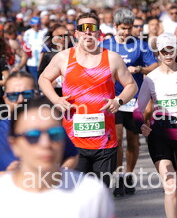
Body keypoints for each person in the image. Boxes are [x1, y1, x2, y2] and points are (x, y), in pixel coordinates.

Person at [0, 97, 114, 218]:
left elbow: (72, 156)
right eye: (32, 136)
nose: (45, 143)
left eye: (55, 134)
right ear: (14, 144)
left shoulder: (91, 192)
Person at [39, 12, 137, 187]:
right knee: (75, 192)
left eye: (91, 28)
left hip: (105, 140)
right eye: (83, 28)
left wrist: (118, 101)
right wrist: (56, 99)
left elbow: (131, 85)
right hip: (73, 140)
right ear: (76, 33)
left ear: (98, 32)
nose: (87, 32)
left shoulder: (112, 58)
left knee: (100, 192)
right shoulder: (63, 57)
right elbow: (43, 79)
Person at [134, 33, 177, 218]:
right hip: (159, 136)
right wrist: (141, 124)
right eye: (163, 51)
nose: (167, 54)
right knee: (171, 186)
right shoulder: (151, 78)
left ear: (176, 50)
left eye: (170, 50)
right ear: (158, 53)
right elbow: (137, 109)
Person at [0, 71, 78, 188]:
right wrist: (10, 175)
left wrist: (54, 174)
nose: (21, 99)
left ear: (37, 95)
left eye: (27, 94)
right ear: (5, 99)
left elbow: (72, 156)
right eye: (13, 95)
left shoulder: (50, 126)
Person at [102, 8, 158, 196]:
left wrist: (140, 69)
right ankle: (118, 176)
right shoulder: (105, 45)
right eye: (123, 28)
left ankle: (128, 174)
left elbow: (154, 66)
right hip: (113, 99)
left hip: (134, 99)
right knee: (117, 139)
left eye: (129, 28)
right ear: (115, 26)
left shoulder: (140, 45)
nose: (126, 32)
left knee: (133, 141)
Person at [38, 24, 72, 97]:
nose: (63, 39)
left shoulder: (76, 52)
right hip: (55, 92)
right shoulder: (48, 54)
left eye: (66, 36)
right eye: (60, 36)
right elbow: (41, 73)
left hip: (72, 91)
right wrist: (49, 83)